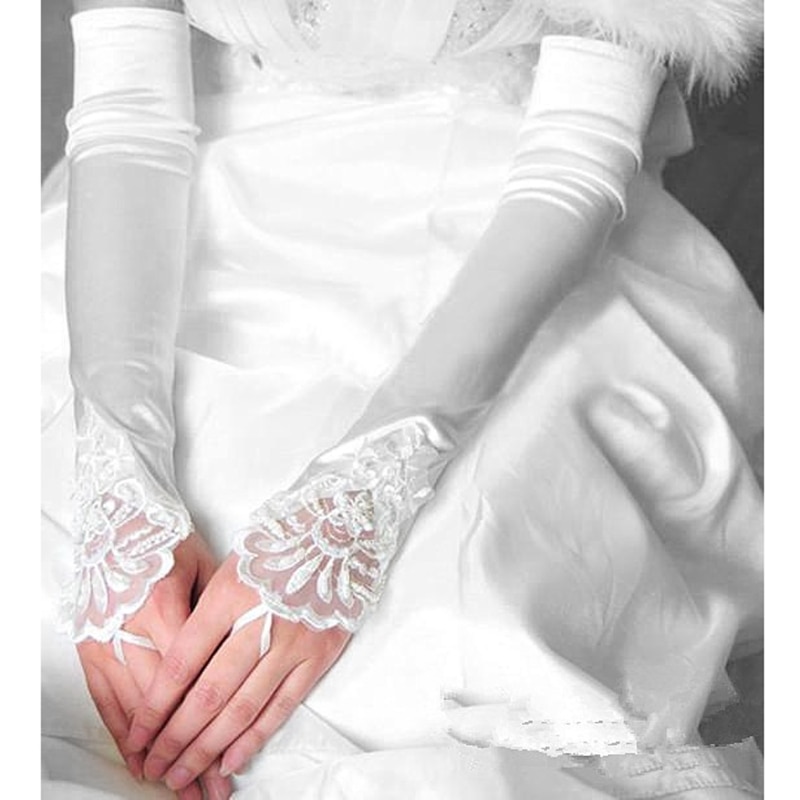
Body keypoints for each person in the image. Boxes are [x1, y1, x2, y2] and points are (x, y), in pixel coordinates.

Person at [41, 1, 765, 798]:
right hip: (179, 208)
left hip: (510, 223)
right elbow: (130, 110)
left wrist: (361, 500)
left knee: (423, 653)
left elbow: (574, 151)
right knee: (71, 613)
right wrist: (120, 478)